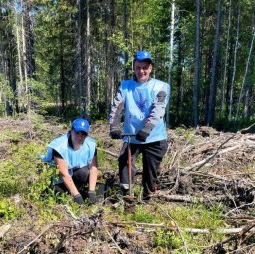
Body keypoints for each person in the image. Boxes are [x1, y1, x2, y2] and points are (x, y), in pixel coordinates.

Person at [109, 50, 170, 201]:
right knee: (125, 162)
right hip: (132, 136)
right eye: (138, 67)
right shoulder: (125, 86)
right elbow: (116, 107)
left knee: (150, 169)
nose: (141, 71)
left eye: (145, 67)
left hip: (154, 136)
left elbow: (158, 110)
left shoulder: (161, 86)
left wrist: (147, 129)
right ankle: (126, 194)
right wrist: (114, 126)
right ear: (134, 68)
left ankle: (147, 197)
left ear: (150, 68)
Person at [40, 118, 99, 205]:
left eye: (83, 134)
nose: (80, 137)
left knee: (83, 173)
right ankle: (71, 191)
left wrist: (92, 191)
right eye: (77, 133)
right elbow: (64, 174)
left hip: (74, 169)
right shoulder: (59, 147)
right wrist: (77, 196)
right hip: (57, 173)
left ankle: (79, 189)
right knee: (58, 195)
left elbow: (93, 168)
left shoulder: (91, 144)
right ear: (71, 131)